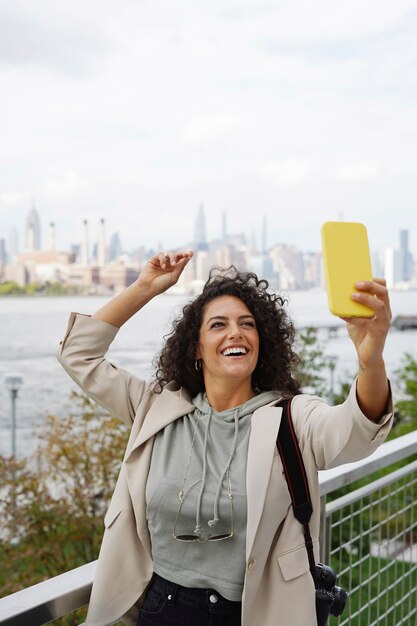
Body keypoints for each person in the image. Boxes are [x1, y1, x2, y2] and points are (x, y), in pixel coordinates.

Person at [57, 250, 393, 626]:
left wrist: (371, 359)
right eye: (218, 325)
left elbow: (358, 429)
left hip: (251, 614)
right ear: (196, 348)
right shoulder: (157, 407)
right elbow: (78, 354)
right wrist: (144, 288)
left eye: (247, 324)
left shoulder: (292, 417)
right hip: (161, 609)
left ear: (261, 342)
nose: (236, 332)